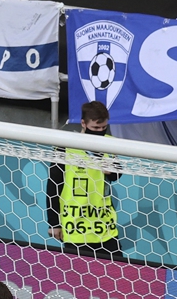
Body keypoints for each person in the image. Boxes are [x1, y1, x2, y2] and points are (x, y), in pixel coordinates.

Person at [47, 101, 123, 260]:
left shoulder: (111, 143)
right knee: (80, 278)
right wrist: (54, 223)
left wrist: (112, 172)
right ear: (83, 123)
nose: (100, 131)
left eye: (104, 128)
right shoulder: (65, 146)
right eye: (96, 128)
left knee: (117, 272)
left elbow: (117, 175)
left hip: (104, 226)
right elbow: (53, 187)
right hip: (76, 227)